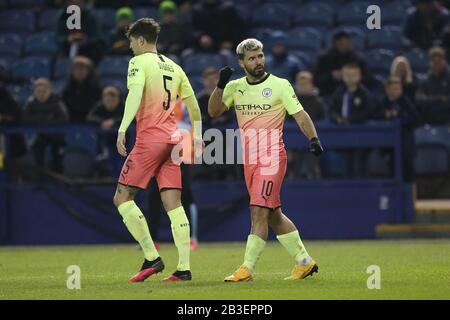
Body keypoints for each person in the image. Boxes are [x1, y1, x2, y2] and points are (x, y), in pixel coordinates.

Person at [208, 39, 323, 282]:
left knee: (258, 210)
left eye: (260, 56)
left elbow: (300, 115)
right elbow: (214, 111)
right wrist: (220, 85)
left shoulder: (280, 85)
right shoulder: (235, 87)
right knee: (273, 215)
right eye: (252, 58)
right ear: (242, 63)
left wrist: (313, 138)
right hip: (250, 160)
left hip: (272, 157)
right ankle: (304, 262)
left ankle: (246, 269)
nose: (258, 61)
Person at [112, 18, 202, 283]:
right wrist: (197, 135)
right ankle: (183, 268)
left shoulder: (138, 63)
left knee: (122, 197)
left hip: (150, 140)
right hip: (174, 141)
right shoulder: (175, 66)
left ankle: (152, 257)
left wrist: (122, 128)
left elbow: (135, 93)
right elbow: (194, 105)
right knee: (173, 203)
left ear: (140, 40)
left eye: (131, 42)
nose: (130, 48)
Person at [22, 78, 69, 173]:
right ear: (34, 92)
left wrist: (41, 121)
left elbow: (63, 118)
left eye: (44, 91)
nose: (41, 94)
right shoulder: (30, 103)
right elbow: (24, 119)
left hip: (56, 135)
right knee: (37, 146)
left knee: (57, 152)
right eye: (38, 91)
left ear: (50, 91)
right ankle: (41, 174)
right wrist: (47, 119)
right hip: (41, 135)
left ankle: (58, 175)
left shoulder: (57, 101)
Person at [416, 46, 450, 124]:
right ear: (430, 62)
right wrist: (439, 99)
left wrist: (430, 101)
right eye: (434, 61)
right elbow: (419, 99)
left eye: (439, 61)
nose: (437, 64)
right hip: (430, 119)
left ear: (444, 61)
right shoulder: (425, 79)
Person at [62, 56, 101, 123]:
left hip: (90, 121)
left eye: (82, 69)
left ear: (88, 71)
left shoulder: (96, 87)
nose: (79, 72)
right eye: (76, 69)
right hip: (71, 121)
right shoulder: (68, 87)